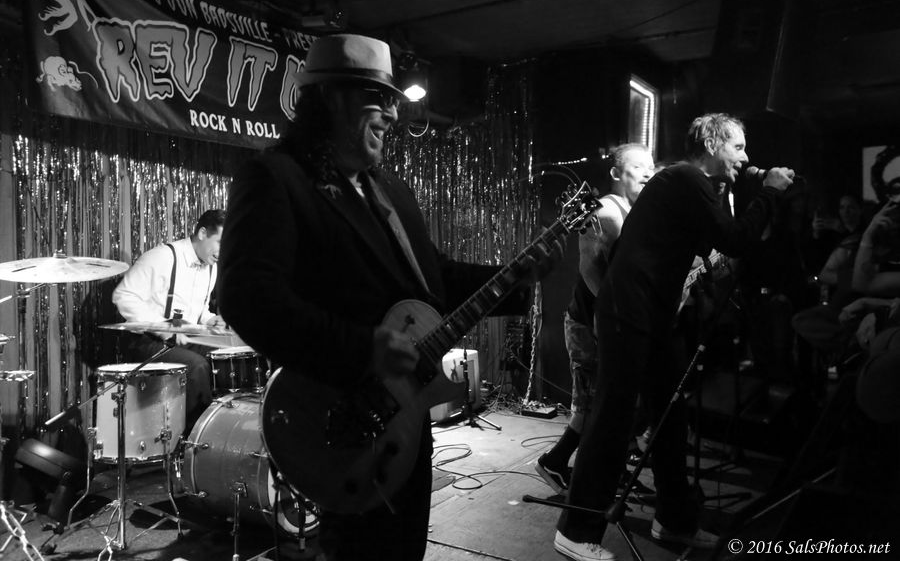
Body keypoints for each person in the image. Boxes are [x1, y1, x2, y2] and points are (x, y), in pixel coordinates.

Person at [215, 34, 554, 561]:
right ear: (330, 98)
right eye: (378, 98)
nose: (393, 114)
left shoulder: (390, 190)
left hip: (405, 418)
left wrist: (516, 277)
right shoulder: (276, 177)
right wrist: (361, 348)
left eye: (394, 99)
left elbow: (434, 281)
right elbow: (245, 296)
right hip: (341, 419)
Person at [554, 113, 795, 561]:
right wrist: (770, 192)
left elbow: (722, 246)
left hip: (656, 317)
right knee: (612, 419)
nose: (745, 157)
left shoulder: (695, 188)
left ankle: (674, 520)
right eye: (738, 147)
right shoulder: (683, 177)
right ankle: (576, 529)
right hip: (629, 311)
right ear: (711, 143)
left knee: (669, 419)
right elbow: (734, 238)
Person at [536, 143, 655, 494]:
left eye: (650, 165)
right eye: (638, 166)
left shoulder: (636, 211)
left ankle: (614, 469)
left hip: (611, 322)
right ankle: (554, 462)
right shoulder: (605, 210)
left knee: (618, 403)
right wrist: (614, 316)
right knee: (590, 407)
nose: (648, 172)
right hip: (590, 323)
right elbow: (590, 270)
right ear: (616, 173)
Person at [111, 209, 226, 433]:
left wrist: (210, 319)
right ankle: (194, 440)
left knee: (226, 357)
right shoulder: (162, 257)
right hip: (148, 342)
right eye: (220, 242)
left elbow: (199, 309)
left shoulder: (211, 266)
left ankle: (225, 431)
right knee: (197, 367)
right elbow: (124, 296)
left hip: (185, 340)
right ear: (202, 233)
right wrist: (164, 328)